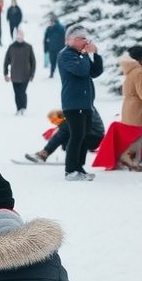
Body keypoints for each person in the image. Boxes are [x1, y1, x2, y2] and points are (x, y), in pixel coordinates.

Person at [57, 24, 103, 181]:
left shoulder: (80, 55)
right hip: (73, 103)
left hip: (86, 103)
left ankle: (79, 168)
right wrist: (85, 54)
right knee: (76, 136)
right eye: (82, 38)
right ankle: (70, 170)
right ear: (71, 40)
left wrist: (95, 54)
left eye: (86, 38)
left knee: (84, 136)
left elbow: (95, 72)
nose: (85, 41)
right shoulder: (66, 55)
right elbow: (81, 71)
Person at [117, 45, 142, 171]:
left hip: (132, 107)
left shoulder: (133, 70)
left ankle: (134, 160)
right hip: (138, 108)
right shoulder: (139, 72)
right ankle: (127, 156)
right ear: (141, 57)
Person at [26, 107, 105, 163]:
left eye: (55, 120)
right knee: (66, 131)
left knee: (64, 131)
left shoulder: (79, 106)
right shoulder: (82, 104)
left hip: (94, 136)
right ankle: (69, 157)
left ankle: (44, 153)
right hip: (93, 135)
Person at [3, 29, 35, 114]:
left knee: (22, 92)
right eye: (18, 35)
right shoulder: (11, 47)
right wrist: (5, 73)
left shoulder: (28, 47)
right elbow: (6, 61)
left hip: (25, 74)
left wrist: (32, 74)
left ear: (23, 36)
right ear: (15, 36)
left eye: (21, 35)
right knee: (17, 93)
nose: (19, 36)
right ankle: (18, 108)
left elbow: (33, 62)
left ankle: (23, 108)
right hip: (15, 74)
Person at [43, 14, 65, 78]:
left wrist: (64, 48)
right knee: (52, 61)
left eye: (52, 21)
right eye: (50, 21)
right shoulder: (49, 29)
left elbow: (64, 38)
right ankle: (51, 73)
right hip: (51, 48)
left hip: (60, 48)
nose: (51, 23)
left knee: (60, 62)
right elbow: (45, 39)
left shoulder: (61, 28)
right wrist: (46, 48)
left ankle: (62, 74)